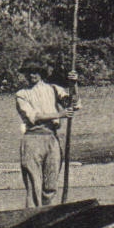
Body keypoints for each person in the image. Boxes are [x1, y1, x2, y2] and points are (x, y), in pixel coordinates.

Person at [14, 60, 78, 208]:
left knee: (50, 185)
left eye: (35, 71)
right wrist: (59, 114)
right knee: (34, 186)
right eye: (28, 72)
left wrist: (73, 84)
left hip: (51, 138)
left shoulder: (54, 89)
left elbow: (73, 104)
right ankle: (33, 219)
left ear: (41, 73)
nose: (32, 75)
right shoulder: (21, 94)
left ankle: (49, 214)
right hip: (32, 139)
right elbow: (33, 116)